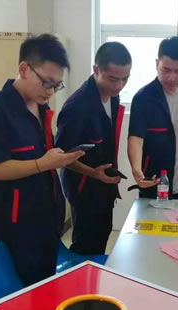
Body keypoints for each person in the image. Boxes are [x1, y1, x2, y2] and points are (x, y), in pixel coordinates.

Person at [0, 34, 83, 286]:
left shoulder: (40, 107)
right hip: (17, 228)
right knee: (23, 294)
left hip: (47, 221)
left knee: (46, 288)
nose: (50, 91)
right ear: (24, 69)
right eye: (46, 83)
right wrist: (42, 164)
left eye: (56, 85)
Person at [55, 42, 131, 255]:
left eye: (125, 79)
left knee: (102, 236)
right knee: (85, 244)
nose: (119, 86)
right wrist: (92, 173)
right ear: (96, 70)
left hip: (103, 184)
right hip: (83, 188)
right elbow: (62, 155)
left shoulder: (112, 97)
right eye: (113, 79)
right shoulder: (77, 107)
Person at [128, 36, 178, 199]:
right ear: (157, 64)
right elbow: (136, 138)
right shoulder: (144, 98)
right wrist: (136, 169)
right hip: (156, 181)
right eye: (166, 70)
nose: (172, 77)